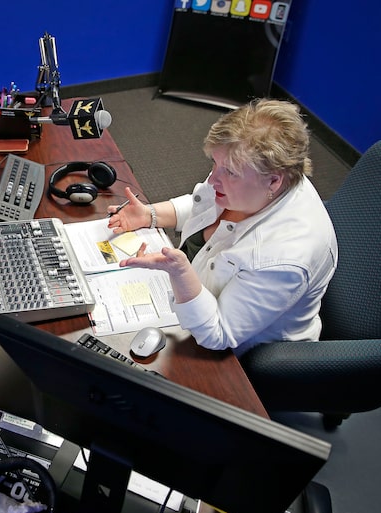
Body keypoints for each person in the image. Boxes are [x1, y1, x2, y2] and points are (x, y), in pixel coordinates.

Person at [107, 98, 338, 356]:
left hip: (240, 357)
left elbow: (218, 333)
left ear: (274, 181)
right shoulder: (252, 178)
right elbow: (204, 203)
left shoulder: (283, 259)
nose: (214, 177)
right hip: (196, 293)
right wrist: (150, 214)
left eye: (228, 172)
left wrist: (181, 274)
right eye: (214, 164)